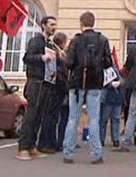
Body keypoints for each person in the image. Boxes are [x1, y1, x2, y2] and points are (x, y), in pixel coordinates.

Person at [62, 11, 112, 164]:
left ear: (81, 23)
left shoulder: (76, 41)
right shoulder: (102, 39)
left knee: (73, 119)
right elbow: (108, 63)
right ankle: (96, 154)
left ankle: (68, 153)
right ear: (93, 23)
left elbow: (69, 63)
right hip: (95, 83)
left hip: (77, 84)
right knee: (94, 120)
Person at [16, 16, 58, 161]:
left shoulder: (50, 43)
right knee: (31, 115)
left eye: (55, 25)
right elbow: (27, 58)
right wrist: (42, 57)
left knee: (39, 116)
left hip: (46, 82)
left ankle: (32, 146)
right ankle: (23, 148)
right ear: (43, 25)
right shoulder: (36, 40)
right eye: (51, 24)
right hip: (36, 82)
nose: (54, 27)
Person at [37, 32, 69, 153]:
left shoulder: (58, 53)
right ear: (63, 42)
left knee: (53, 117)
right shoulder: (55, 53)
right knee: (50, 117)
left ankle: (51, 142)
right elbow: (58, 70)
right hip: (55, 87)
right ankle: (45, 143)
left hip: (57, 87)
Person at [99, 67, 124, 147]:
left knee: (115, 119)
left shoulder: (115, 69)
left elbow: (122, 80)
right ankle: (102, 139)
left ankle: (116, 139)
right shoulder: (101, 69)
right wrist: (111, 84)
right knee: (104, 119)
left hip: (116, 97)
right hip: (107, 97)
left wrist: (119, 82)